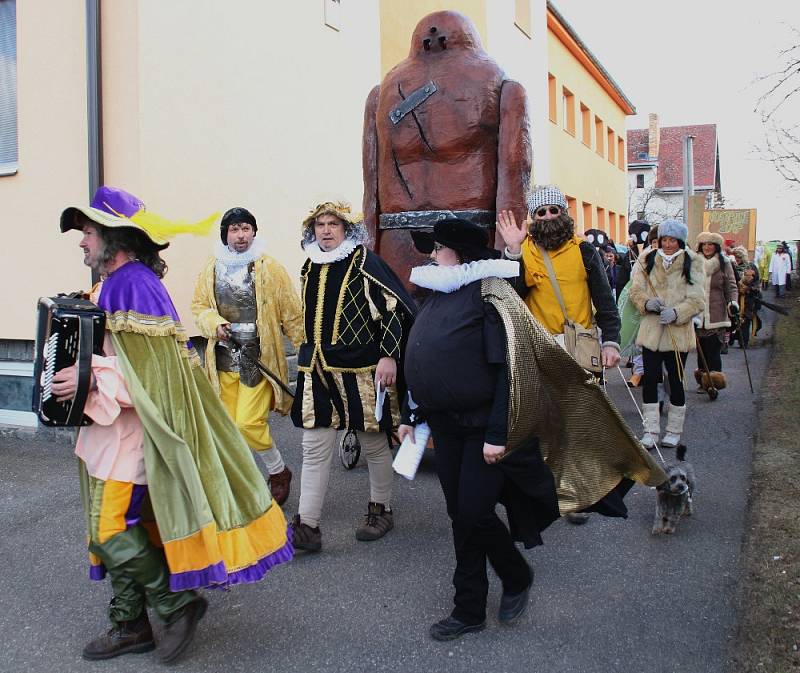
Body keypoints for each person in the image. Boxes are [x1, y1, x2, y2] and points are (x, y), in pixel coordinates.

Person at [53, 187, 292, 663]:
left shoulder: (134, 285)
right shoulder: (114, 283)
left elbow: (152, 377)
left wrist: (88, 381)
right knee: (125, 527)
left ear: (115, 237)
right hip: (105, 438)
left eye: (89, 232)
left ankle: (174, 602)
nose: (82, 242)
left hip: (130, 437)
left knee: (111, 530)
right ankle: (130, 623)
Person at [398, 218, 664, 641]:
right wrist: (410, 415)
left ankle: (497, 586)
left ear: (460, 254)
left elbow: (512, 368)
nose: (431, 255)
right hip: (445, 426)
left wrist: (499, 432)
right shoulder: (438, 293)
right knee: (462, 515)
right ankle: (486, 594)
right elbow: (419, 355)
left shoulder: (490, 293)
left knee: (471, 513)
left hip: (484, 428)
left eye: (438, 248)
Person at [289, 200, 417, 552]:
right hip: (316, 369)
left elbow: (391, 310)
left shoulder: (363, 262)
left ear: (346, 229)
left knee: (373, 442)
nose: (326, 230)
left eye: (333, 224)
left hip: (360, 370)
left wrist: (389, 356)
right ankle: (308, 527)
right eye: (320, 224)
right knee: (313, 448)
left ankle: (381, 508)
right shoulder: (309, 265)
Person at [497, 185, 621, 525]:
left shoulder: (584, 251)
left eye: (554, 211)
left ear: (564, 215)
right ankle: (548, 490)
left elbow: (605, 300)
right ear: (532, 219)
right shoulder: (523, 251)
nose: (549, 217)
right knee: (543, 426)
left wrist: (611, 341)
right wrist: (511, 251)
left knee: (579, 424)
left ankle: (579, 494)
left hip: (579, 347)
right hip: (539, 348)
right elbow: (510, 295)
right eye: (541, 213)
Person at [191, 207, 303, 505]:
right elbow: (199, 307)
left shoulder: (269, 267)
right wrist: (215, 325)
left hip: (257, 356)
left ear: (254, 231)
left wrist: (306, 351)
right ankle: (244, 486)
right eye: (234, 229)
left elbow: (291, 312)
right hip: (225, 356)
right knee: (229, 428)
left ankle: (278, 471)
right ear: (225, 234)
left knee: (248, 423)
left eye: (246, 229)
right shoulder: (211, 267)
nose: (241, 235)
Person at [629, 219, 705, 449]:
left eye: (672, 240)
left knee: (676, 380)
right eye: (664, 239)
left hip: (678, 333)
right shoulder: (647, 259)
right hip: (652, 331)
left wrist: (677, 312)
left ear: (680, 240)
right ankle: (650, 430)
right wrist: (646, 302)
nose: (668, 244)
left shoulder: (693, 261)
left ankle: (673, 430)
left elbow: (698, 299)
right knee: (650, 379)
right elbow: (635, 290)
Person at [694, 232, 738, 392]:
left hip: (717, 312)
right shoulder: (693, 262)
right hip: (697, 313)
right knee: (701, 351)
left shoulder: (724, 262)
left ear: (716, 246)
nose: (707, 247)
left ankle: (714, 382)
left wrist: (733, 303)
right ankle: (702, 380)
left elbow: (731, 286)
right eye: (704, 244)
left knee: (713, 350)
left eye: (710, 244)